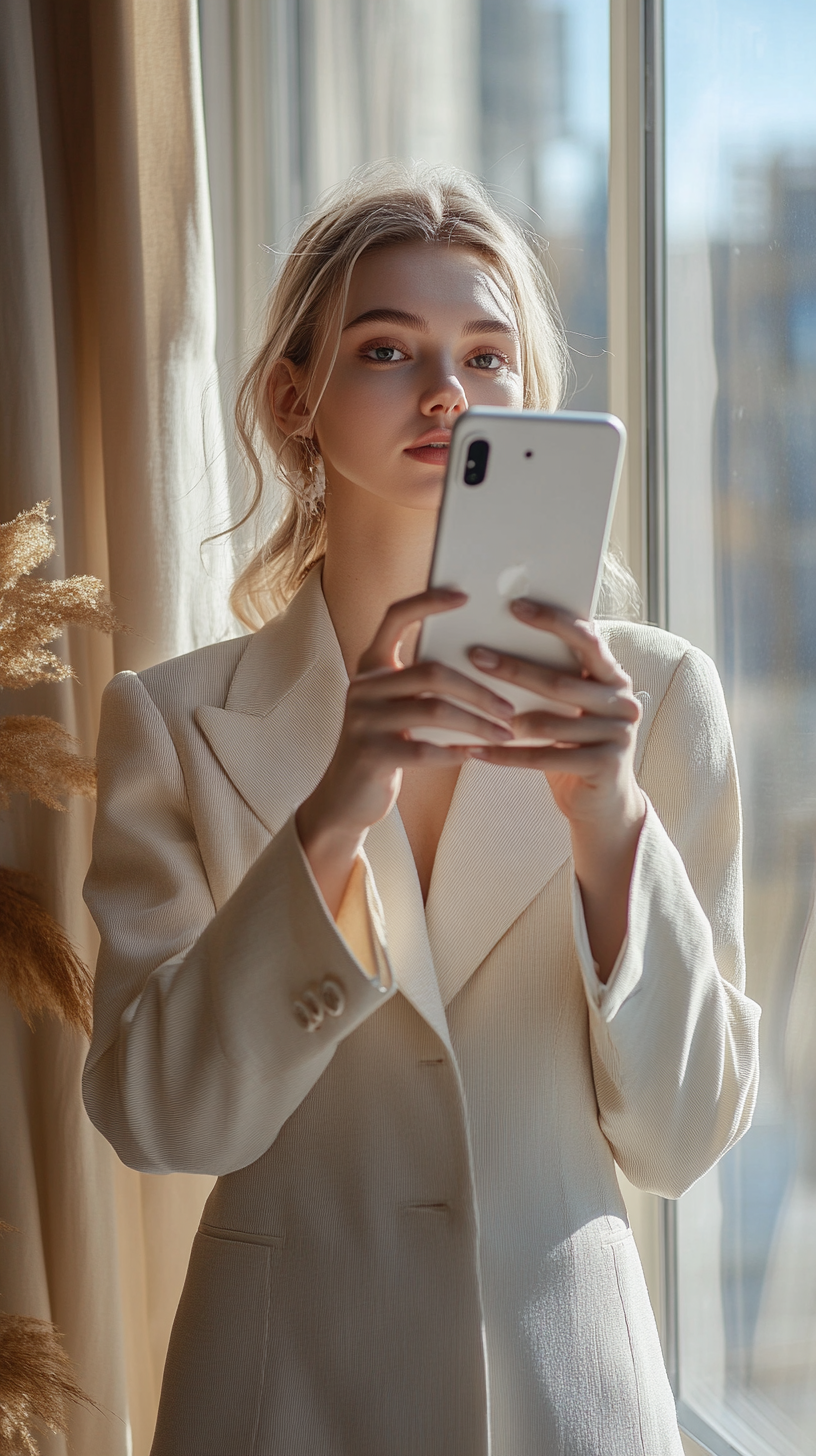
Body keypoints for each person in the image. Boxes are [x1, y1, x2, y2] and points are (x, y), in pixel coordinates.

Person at [82, 163, 761, 1456]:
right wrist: (333, 812)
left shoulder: (656, 703)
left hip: (571, 1409)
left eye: (489, 354)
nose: (449, 391)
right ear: (295, 398)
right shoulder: (171, 724)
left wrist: (607, 817)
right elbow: (162, 1120)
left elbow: (681, 1137)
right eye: (388, 349)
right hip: (281, 1405)